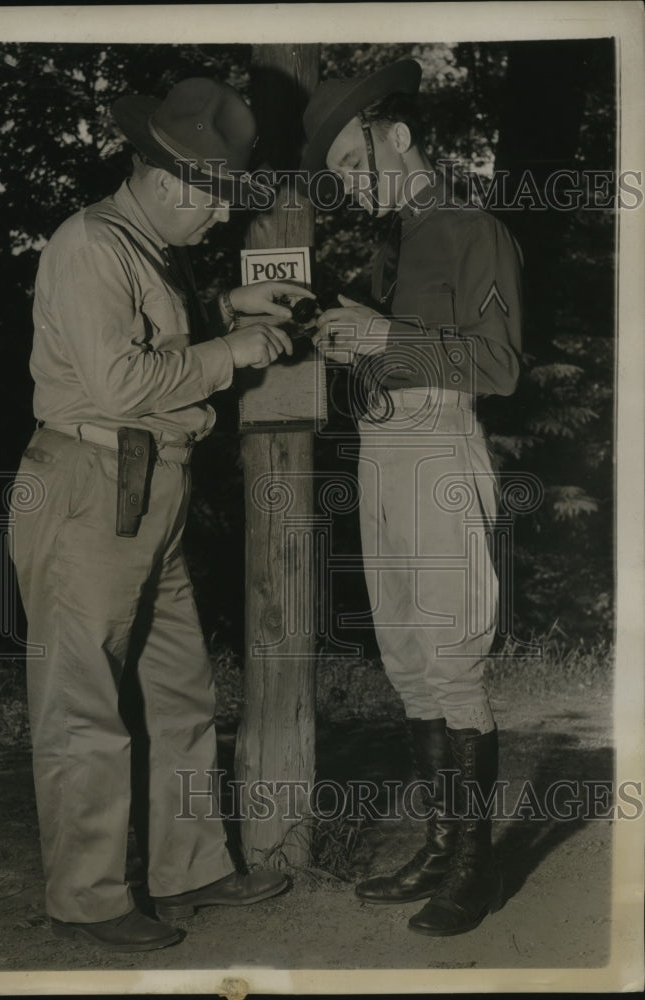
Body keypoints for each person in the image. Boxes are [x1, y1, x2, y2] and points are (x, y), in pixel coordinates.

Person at [9, 77, 313, 953]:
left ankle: (191, 867)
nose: (220, 223)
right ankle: (89, 898)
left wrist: (225, 310)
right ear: (173, 179)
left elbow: (144, 340)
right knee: (84, 704)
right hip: (89, 481)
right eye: (215, 205)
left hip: (149, 483)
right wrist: (235, 350)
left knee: (179, 689)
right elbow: (121, 383)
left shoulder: (138, 245)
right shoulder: (87, 244)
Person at [301, 58, 522, 936]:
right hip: (382, 450)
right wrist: (356, 344)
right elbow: (404, 345)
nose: (353, 187)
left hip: (438, 450)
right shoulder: (395, 244)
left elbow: (498, 366)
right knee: (407, 657)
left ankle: (476, 869)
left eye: (357, 163)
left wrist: (387, 333)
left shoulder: (474, 229)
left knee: (454, 656)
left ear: (397, 135)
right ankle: (439, 846)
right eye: (341, 178)